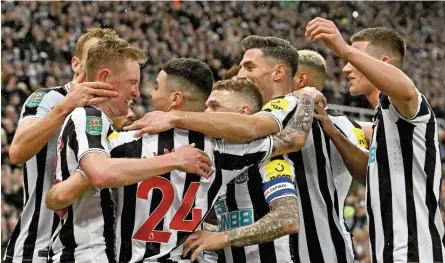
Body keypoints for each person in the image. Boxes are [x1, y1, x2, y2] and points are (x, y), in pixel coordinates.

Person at [48, 58, 314, 263]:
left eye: (155, 87)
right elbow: (293, 139)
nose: (147, 95)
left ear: (175, 99)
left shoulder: (121, 143)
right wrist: (304, 97)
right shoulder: (225, 152)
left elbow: (58, 198)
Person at [127, 36, 353, 263]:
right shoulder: (218, 153)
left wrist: (305, 97)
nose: (207, 115)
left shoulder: (267, 141)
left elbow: (287, 217)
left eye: (250, 66)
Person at [47, 39, 213, 263]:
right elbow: (100, 173)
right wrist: (174, 159)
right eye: (132, 83)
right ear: (105, 77)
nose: (136, 92)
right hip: (85, 252)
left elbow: (59, 195)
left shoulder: (104, 125)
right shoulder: (88, 116)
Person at [306, 17, 445, 263]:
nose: (346, 68)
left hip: (416, 254)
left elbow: (405, 89)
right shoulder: (381, 123)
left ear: (384, 64)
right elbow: (371, 176)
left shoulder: (408, 107)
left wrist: (344, 49)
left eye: (353, 60)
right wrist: (333, 133)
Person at [3, 28, 119, 263]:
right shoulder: (49, 98)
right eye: (94, 59)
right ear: (76, 64)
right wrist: (66, 107)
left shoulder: (113, 116)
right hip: (36, 247)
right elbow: (16, 152)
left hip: (87, 251)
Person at [293, 49, 368, 259]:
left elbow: (366, 173)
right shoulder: (349, 125)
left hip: (324, 246)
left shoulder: (343, 125)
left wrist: (333, 134)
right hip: (324, 245)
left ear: (301, 79)